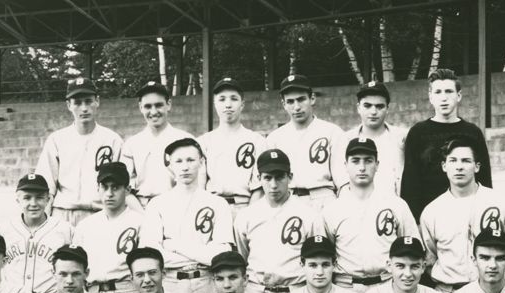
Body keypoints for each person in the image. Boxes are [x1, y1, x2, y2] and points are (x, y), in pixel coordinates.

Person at [420, 138, 505, 293]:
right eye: (453, 161)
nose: (459, 167)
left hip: (491, 291)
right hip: (448, 292)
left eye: (466, 161)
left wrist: (499, 286)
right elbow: (429, 258)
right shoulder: (432, 211)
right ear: (444, 166)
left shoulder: (501, 204)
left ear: (476, 167)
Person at [140, 137, 233, 293]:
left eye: (191, 160)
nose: (185, 167)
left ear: (202, 162)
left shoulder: (218, 203)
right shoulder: (157, 204)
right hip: (171, 282)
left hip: (207, 282)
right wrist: (202, 253)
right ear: (170, 166)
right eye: (179, 161)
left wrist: (174, 245)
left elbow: (221, 255)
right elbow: (152, 254)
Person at [322, 137, 418, 293]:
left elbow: (413, 247)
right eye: (355, 161)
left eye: (368, 161)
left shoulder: (396, 205)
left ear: (377, 165)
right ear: (345, 165)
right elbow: (325, 256)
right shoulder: (332, 210)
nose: (362, 167)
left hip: (387, 284)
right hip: (346, 286)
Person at [401, 69, 492, 221]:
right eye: (438, 92)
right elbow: (411, 183)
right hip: (429, 218)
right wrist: (414, 222)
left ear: (459, 96)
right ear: (430, 97)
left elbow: (484, 178)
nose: (443, 98)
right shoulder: (418, 133)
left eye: (449, 91)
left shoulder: (472, 132)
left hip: (468, 214)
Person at [234, 149, 325, 293]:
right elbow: (242, 258)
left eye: (279, 177)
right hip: (257, 292)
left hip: (296, 292)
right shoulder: (246, 216)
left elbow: (318, 261)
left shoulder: (309, 215)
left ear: (290, 177)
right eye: (267, 178)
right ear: (259, 178)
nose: (273, 185)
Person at [34, 77, 125, 227]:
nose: (84, 108)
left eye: (88, 101)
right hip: (63, 213)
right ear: (69, 105)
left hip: (99, 213)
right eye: (77, 103)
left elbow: (122, 186)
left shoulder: (112, 140)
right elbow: (47, 185)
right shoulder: (57, 140)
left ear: (97, 101)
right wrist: (44, 222)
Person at [263, 74, 344, 208]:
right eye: (290, 101)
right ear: (283, 104)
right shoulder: (274, 138)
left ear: (312, 99)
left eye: (301, 99)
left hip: (323, 198)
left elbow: (343, 180)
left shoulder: (332, 132)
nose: (296, 107)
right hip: (288, 200)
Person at [72, 162, 144, 293]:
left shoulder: (140, 222)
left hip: (127, 291)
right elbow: (77, 266)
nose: (109, 193)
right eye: (105, 187)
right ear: (98, 188)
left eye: (115, 187)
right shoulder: (85, 226)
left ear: (127, 190)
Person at [0, 173, 75, 293]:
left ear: (48, 199)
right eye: (27, 198)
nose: (33, 203)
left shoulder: (65, 230)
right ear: (18, 200)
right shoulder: (4, 230)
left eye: (39, 197)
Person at [121, 80, 191, 207]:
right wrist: (140, 214)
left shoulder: (185, 140)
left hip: (176, 205)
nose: (153, 112)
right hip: (141, 207)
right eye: (148, 106)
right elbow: (124, 188)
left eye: (158, 105)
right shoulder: (132, 144)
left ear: (168, 105)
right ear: (140, 107)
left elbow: (193, 184)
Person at [198, 76, 264, 211]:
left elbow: (260, 186)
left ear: (242, 104)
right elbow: (199, 186)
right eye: (222, 99)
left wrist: (249, 215)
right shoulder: (204, 142)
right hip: (212, 208)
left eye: (234, 99)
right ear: (215, 104)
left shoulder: (256, 140)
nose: (228, 104)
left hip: (245, 206)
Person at [332, 81, 405, 195]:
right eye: (367, 105)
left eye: (379, 106)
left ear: (387, 108)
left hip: (392, 206)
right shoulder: (345, 140)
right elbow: (341, 178)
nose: (373, 111)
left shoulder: (401, 138)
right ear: (358, 107)